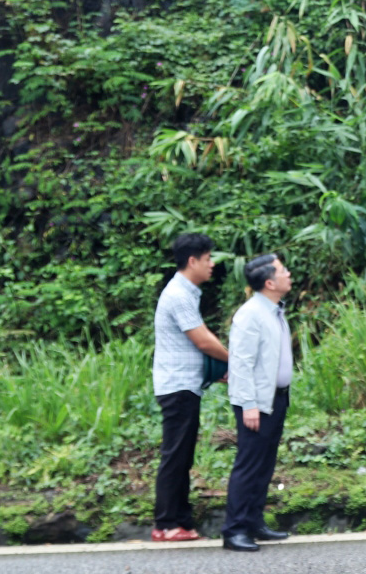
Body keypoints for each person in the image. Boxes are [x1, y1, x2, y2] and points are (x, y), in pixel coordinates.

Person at [151, 232, 230, 543]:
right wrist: (233, 362)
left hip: (184, 384)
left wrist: (217, 369)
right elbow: (202, 340)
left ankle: (179, 520)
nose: (212, 264)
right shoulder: (179, 295)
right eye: (208, 259)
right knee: (176, 455)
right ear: (192, 260)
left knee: (182, 455)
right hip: (177, 386)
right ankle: (167, 523)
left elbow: (195, 344)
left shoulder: (185, 292)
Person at [222, 253, 294, 553]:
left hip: (276, 398)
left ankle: (254, 522)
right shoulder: (250, 314)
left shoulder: (274, 310)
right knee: (249, 465)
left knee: (264, 463)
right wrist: (249, 404)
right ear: (269, 282)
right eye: (282, 270)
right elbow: (240, 363)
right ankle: (235, 530)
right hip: (256, 403)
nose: (288, 273)